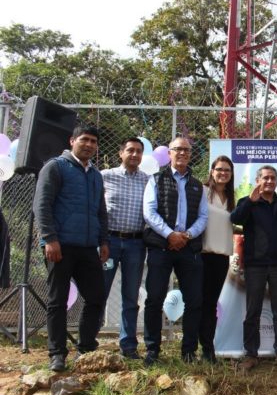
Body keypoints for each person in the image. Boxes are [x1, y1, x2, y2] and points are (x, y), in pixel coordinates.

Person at [33, 126, 109, 372]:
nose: (88, 145)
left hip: (88, 247)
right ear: (72, 141)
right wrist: (49, 238)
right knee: (58, 301)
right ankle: (57, 354)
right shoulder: (55, 167)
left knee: (96, 297)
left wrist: (104, 241)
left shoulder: (96, 175)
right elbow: (41, 205)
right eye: (84, 140)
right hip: (60, 246)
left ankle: (86, 348)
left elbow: (100, 212)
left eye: (93, 142)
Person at [142, 137, 208, 366]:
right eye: (177, 149)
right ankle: (152, 351)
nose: (182, 153)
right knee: (154, 299)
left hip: (189, 249)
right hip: (161, 247)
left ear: (191, 155)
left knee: (195, 301)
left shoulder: (198, 185)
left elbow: (203, 217)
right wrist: (170, 235)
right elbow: (149, 213)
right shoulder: (155, 180)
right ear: (169, 153)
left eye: (186, 150)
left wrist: (186, 236)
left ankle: (188, 352)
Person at [231, 165, 277, 371]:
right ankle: (251, 355)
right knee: (253, 312)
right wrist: (250, 202)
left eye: (272, 178)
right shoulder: (247, 202)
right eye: (265, 178)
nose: (269, 181)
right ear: (258, 180)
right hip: (255, 265)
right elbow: (235, 219)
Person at [101, 137, 149, 359]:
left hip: (136, 244)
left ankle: (128, 346)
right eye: (130, 150)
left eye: (139, 151)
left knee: (131, 296)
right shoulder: (105, 176)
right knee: (99, 292)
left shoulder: (148, 181)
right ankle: (88, 342)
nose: (135, 155)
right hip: (108, 243)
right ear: (121, 153)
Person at [199, 155, 235, 363]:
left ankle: (208, 347)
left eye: (227, 171)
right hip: (202, 256)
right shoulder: (202, 192)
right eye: (219, 169)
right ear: (212, 171)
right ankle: (193, 347)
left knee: (211, 304)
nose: (223, 173)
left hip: (221, 258)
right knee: (198, 302)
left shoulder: (231, 198)